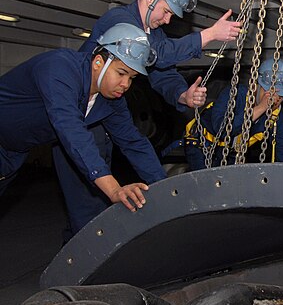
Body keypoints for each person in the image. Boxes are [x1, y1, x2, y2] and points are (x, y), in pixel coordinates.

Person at [52, 0, 243, 236]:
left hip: (103, 117)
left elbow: (161, 71)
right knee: (87, 207)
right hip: (78, 122)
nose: (167, 20)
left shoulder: (153, 34)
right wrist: (208, 35)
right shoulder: (118, 21)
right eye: (167, 11)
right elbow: (161, 53)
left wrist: (183, 95)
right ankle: (75, 273)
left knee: (106, 196)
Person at [0, 23, 166, 212]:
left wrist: (167, 189)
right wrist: (113, 190)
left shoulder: (110, 99)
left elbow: (132, 142)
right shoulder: (59, 67)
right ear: (98, 63)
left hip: (13, 152)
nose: (125, 84)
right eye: (121, 73)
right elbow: (70, 128)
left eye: (132, 78)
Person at [184, 58, 283, 170]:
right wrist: (261, 108)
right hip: (201, 144)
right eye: (270, 93)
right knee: (204, 182)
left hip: (231, 151)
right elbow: (222, 130)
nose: (275, 100)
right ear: (257, 86)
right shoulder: (235, 95)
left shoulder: (277, 115)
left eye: (281, 97)